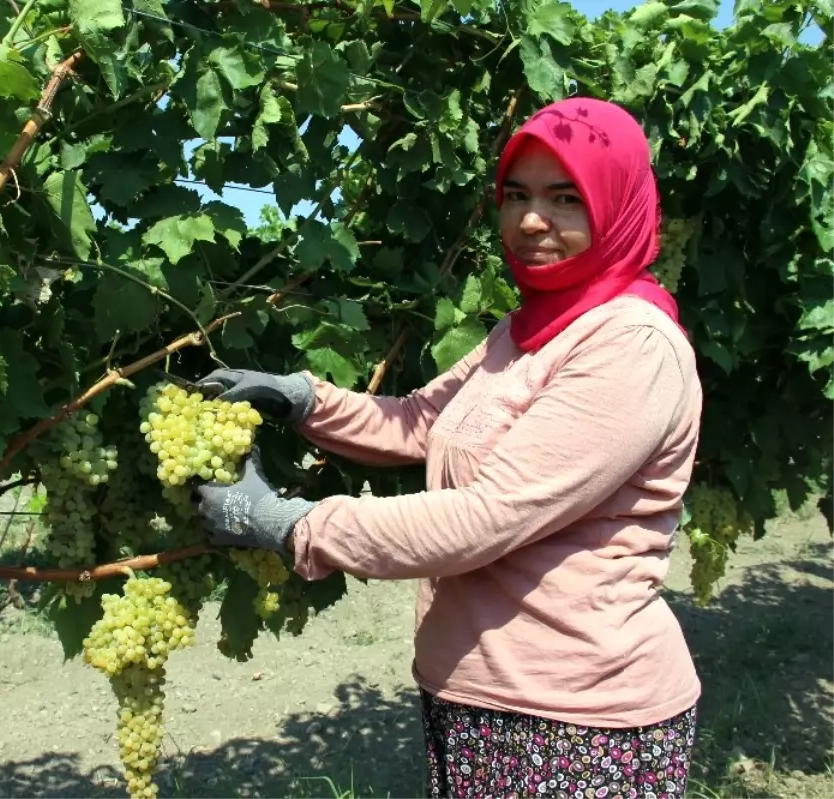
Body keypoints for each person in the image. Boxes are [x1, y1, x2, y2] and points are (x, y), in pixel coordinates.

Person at [190, 97, 703, 798]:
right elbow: (419, 419)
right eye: (515, 195)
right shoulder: (522, 331)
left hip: (578, 722)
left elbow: (487, 516)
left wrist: (291, 524)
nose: (530, 220)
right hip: (476, 697)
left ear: (617, 206)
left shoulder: (631, 347)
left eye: (565, 198)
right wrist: (302, 397)